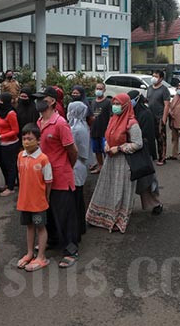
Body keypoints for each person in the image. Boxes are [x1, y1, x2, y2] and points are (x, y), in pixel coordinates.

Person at [34, 87, 79, 266]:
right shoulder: (38, 122)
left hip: (60, 176)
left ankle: (71, 250)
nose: (38, 102)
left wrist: (65, 166)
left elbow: (72, 151)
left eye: (41, 98)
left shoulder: (60, 123)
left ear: (52, 101)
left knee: (65, 214)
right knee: (49, 211)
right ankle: (52, 240)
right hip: (43, 177)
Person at [86, 93, 144, 230]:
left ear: (125, 106)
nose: (115, 107)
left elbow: (138, 144)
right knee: (108, 188)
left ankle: (117, 219)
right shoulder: (113, 119)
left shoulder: (131, 123)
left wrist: (119, 148)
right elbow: (108, 135)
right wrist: (106, 144)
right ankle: (100, 217)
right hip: (110, 160)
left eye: (118, 104)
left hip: (124, 161)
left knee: (120, 191)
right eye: (114, 104)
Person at [15, 123, 53, 272]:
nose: (26, 142)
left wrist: (46, 198)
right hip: (24, 200)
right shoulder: (20, 156)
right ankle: (30, 253)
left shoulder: (43, 159)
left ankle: (41, 256)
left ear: (38, 140)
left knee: (40, 227)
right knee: (29, 226)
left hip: (39, 201)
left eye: (30, 138)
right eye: (24, 138)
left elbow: (48, 182)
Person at [66, 101, 91, 237]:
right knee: (79, 199)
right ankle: (81, 226)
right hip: (81, 165)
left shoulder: (75, 129)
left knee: (75, 200)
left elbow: (73, 150)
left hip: (75, 165)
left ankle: (76, 229)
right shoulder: (83, 126)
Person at [0, 92, 20, 196]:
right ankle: (9, 183)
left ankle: (11, 187)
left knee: (11, 166)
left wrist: (1, 137)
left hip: (11, 144)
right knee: (4, 164)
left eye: (1, 100)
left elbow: (15, 130)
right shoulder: (1, 111)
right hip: (2, 143)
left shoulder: (11, 113)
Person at [146, 70, 171, 165]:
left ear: (161, 78)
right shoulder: (149, 88)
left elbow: (167, 105)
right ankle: (153, 156)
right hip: (150, 117)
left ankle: (162, 158)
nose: (154, 78)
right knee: (150, 137)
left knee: (160, 138)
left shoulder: (164, 90)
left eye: (156, 76)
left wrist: (164, 119)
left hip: (159, 117)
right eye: (153, 75)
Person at [89, 82, 111, 174]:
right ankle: (100, 166)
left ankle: (108, 168)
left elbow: (111, 117)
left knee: (106, 151)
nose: (98, 90)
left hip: (104, 132)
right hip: (94, 131)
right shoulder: (93, 102)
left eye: (100, 89)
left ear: (104, 90)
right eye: (97, 88)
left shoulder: (108, 102)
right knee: (97, 151)